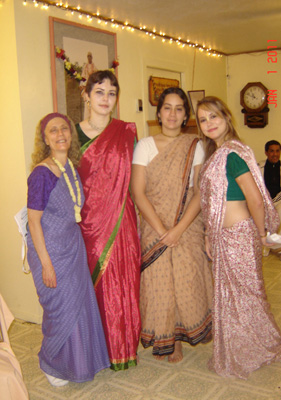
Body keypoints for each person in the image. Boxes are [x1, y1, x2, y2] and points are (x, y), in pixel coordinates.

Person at [197, 96, 281, 379]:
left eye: (213, 116)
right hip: (223, 236)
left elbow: (256, 199)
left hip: (239, 235)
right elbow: (212, 201)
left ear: (226, 118)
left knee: (247, 295)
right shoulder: (217, 153)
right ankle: (241, 347)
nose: (209, 123)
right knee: (230, 297)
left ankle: (264, 345)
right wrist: (211, 237)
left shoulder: (232, 154)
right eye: (203, 120)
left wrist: (262, 235)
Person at [27, 112, 110, 386]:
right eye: (53, 130)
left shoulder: (71, 167)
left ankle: (77, 362)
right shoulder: (42, 173)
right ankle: (52, 362)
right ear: (45, 138)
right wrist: (46, 263)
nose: (60, 134)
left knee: (78, 305)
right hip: (49, 250)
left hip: (71, 245)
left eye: (64, 128)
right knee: (59, 307)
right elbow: (34, 220)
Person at [131, 87, 213, 363]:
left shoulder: (195, 145)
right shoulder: (144, 145)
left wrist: (178, 230)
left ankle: (179, 336)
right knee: (160, 284)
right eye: (167, 107)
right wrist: (163, 230)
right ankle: (166, 338)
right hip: (154, 225)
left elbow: (200, 192)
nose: (172, 114)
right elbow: (138, 192)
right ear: (158, 112)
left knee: (186, 281)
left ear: (186, 116)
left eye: (179, 109)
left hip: (187, 225)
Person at [76, 70, 141, 371]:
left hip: (120, 222)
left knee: (121, 286)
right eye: (99, 91)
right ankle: (92, 352)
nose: (105, 98)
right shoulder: (70, 134)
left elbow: (140, 180)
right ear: (85, 95)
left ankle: (121, 349)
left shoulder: (127, 131)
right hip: (84, 224)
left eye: (111, 93)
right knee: (90, 288)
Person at [258, 140, 281, 261]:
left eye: (277, 151)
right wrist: (266, 203)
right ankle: (263, 247)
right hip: (262, 200)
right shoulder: (259, 167)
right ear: (266, 152)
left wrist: (271, 204)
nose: (275, 154)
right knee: (258, 213)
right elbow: (256, 187)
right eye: (272, 151)